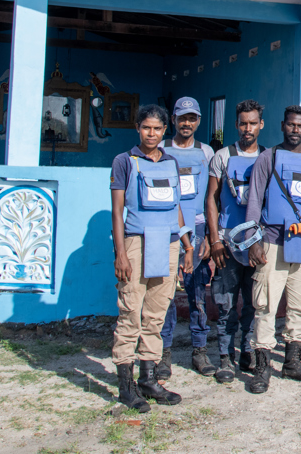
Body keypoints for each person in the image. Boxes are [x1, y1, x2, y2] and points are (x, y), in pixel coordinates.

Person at [108, 104, 193, 412]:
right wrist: (121, 254)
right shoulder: (124, 162)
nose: (152, 134)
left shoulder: (171, 163)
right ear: (137, 128)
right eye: (147, 128)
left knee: (156, 316)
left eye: (157, 129)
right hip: (136, 244)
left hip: (169, 245)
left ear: (164, 131)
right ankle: (126, 386)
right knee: (130, 313)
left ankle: (149, 379)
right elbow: (117, 211)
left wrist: (188, 246)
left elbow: (177, 208)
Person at [242, 105, 301, 392]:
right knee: (265, 305)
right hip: (272, 243)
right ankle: (262, 368)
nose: (295, 130)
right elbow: (254, 201)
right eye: (291, 125)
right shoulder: (268, 158)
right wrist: (254, 241)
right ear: (283, 126)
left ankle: (293, 363)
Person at [156, 97, 218, 380]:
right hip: (166, 234)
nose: (187, 123)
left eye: (192, 118)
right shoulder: (159, 149)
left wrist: (209, 236)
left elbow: (211, 198)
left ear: (199, 121)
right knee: (165, 295)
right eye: (182, 118)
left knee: (197, 297)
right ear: (173, 120)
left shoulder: (207, 152)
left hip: (198, 231)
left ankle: (200, 351)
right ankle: (163, 354)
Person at [204, 100, 265, 383]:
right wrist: (215, 239)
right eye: (243, 123)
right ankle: (225, 358)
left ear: (261, 125)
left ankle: (247, 351)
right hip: (227, 243)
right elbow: (211, 200)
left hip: (258, 244)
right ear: (236, 125)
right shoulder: (222, 156)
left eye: (253, 123)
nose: (247, 128)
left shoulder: (268, 156)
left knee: (254, 303)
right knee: (227, 302)